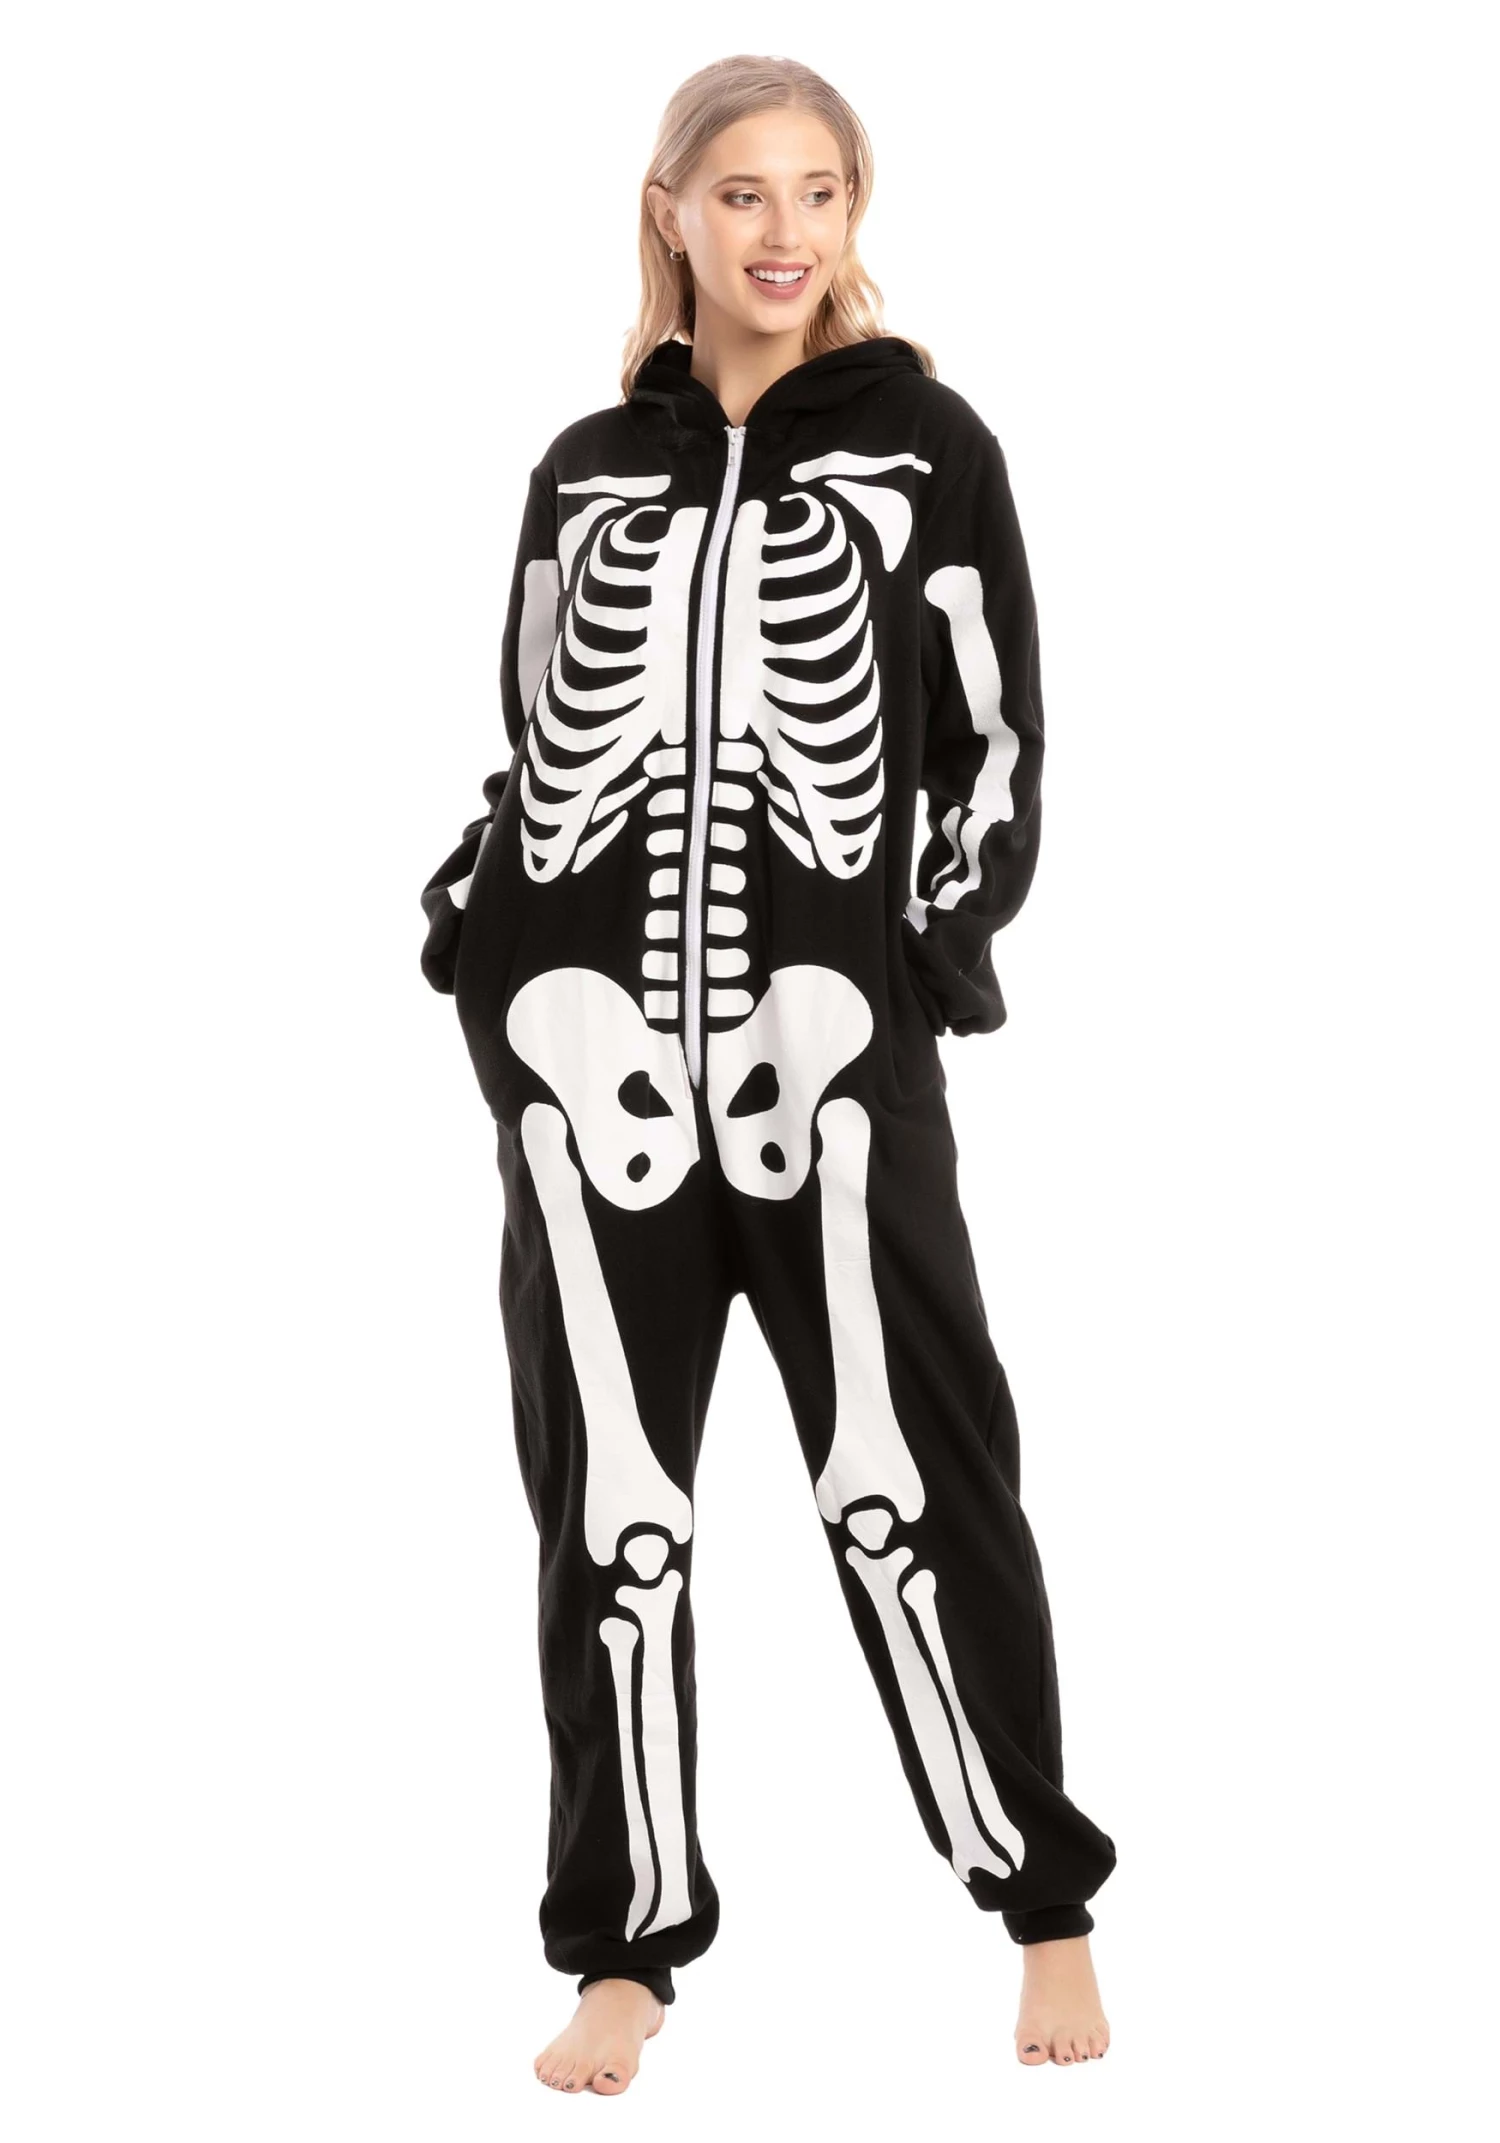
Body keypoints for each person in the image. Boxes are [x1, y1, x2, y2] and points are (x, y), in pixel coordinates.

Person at [419, 54, 1117, 2097]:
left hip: (831, 1072)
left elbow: (998, 743)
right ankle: (624, 1950)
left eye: (819, 190)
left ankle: (1043, 1901)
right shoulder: (583, 471)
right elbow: (533, 734)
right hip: (589, 1074)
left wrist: (917, 970)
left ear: (852, 213)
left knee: (930, 1480)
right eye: (742, 193)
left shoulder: (929, 450)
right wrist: (478, 927)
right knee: (605, 1521)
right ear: (674, 215)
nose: (784, 229)